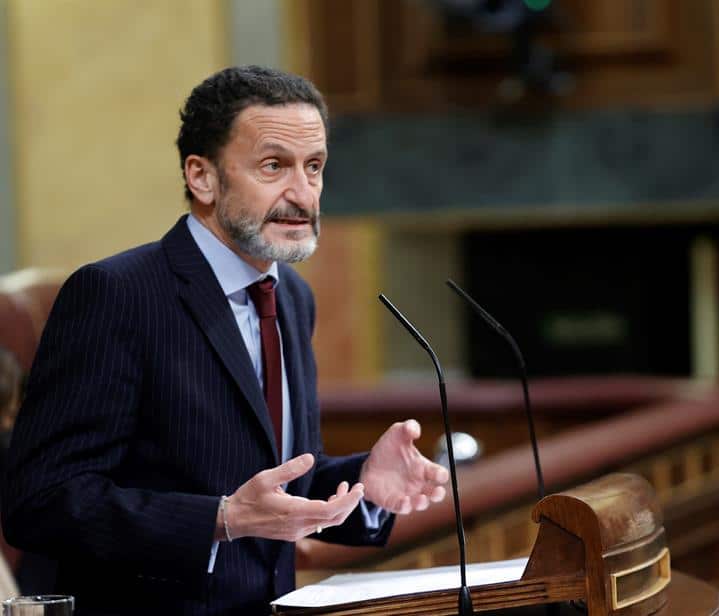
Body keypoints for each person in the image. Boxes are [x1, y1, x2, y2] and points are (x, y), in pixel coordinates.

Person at [1, 66, 449, 616]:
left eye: (314, 167)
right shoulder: (117, 294)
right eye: (273, 166)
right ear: (202, 177)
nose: (302, 192)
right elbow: (40, 501)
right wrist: (221, 520)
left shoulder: (290, 297)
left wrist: (363, 484)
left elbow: (271, 486)